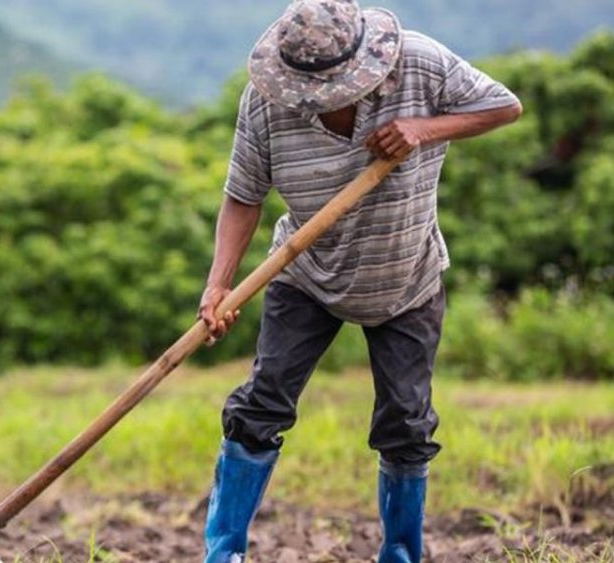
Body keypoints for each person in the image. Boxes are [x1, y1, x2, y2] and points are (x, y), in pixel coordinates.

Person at [198, 1, 522, 561]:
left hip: (406, 276)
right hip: (305, 275)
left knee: (407, 423)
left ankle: (400, 554)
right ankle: (222, 553)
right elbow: (242, 196)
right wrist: (218, 287)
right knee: (260, 407)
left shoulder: (419, 64)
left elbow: (504, 106)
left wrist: (424, 128)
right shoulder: (266, 105)